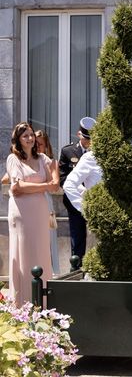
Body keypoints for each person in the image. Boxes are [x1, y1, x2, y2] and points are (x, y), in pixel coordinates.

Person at [6, 122, 59, 304]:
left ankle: (43, 303)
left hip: (39, 211)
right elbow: (17, 187)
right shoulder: (13, 159)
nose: (29, 138)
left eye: (31, 135)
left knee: (41, 252)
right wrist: (44, 186)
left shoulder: (43, 158)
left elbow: (55, 183)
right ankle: (21, 302)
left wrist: (44, 185)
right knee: (24, 254)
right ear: (18, 140)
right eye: (25, 136)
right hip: (21, 214)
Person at [59, 116, 96, 266]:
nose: (88, 141)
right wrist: (82, 191)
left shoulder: (97, 153)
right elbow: (63, 177)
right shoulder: (68, 151)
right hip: (75, 202)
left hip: (95, 200)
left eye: (90, 138)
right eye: (86, 138)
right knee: (78, 238)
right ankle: (77, 269)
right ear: (79, 134)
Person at [35, 129, 60, 275]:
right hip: (31, 201)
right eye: (35, 144)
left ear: (46, 146)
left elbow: (54, 185)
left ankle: (51, 271)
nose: (37, 147)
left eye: (40, 144)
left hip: (45, 199)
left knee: (48, 236)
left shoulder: (50, 161)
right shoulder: (26, 160)